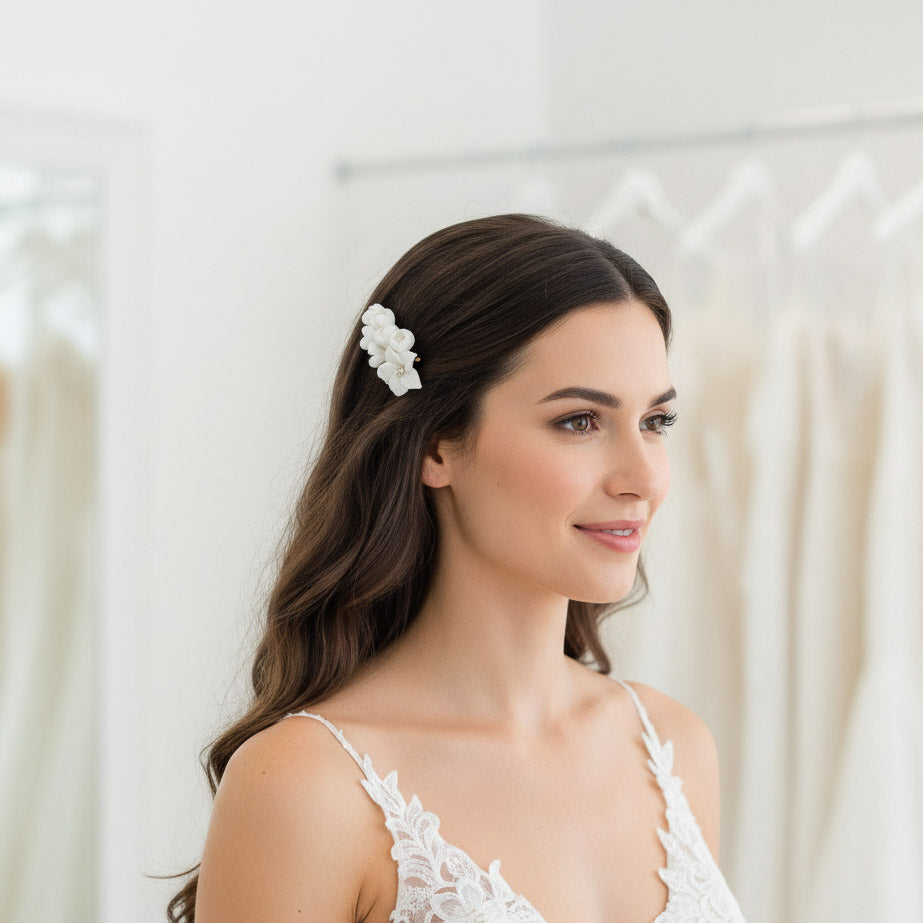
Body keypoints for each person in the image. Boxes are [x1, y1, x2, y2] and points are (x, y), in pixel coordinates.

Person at [168, 214, 746, 922]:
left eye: (655, 421)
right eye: (579, 422)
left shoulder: (672, 745)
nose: (643, 477)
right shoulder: (306, 786)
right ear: (436, 444)